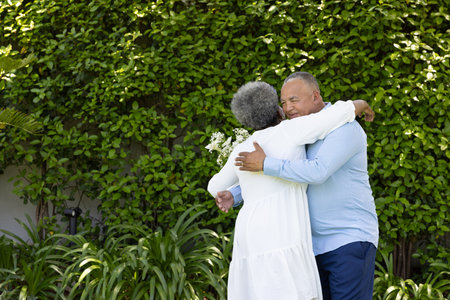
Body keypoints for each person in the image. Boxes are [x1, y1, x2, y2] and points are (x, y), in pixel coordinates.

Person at [217, 72, 379, 300]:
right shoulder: (296, 132)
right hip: (310, 246)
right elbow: (281, 172)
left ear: (315, 96)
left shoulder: (345, 128)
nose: (288, 108)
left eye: (294, 100)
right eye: (283, 102)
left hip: (347, 240)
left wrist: (265, 163)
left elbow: (317, 171)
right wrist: (236, 194)